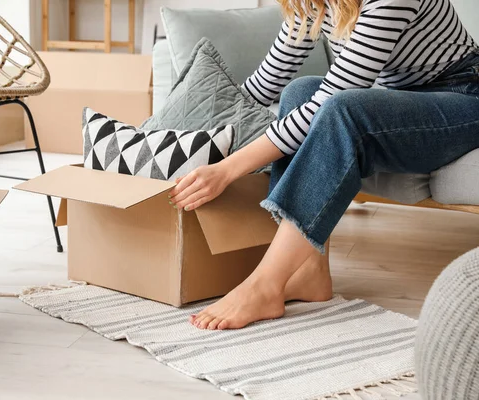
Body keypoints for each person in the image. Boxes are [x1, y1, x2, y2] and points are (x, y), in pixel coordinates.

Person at [168, 0, 479, 330]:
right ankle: (309, 272)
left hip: (465, 97)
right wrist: (195, 137)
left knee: (342, 109)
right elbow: (267, 82)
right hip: (406, 98)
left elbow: (337, 94)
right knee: (300, 91)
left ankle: (265, 285)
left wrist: (228, 169)